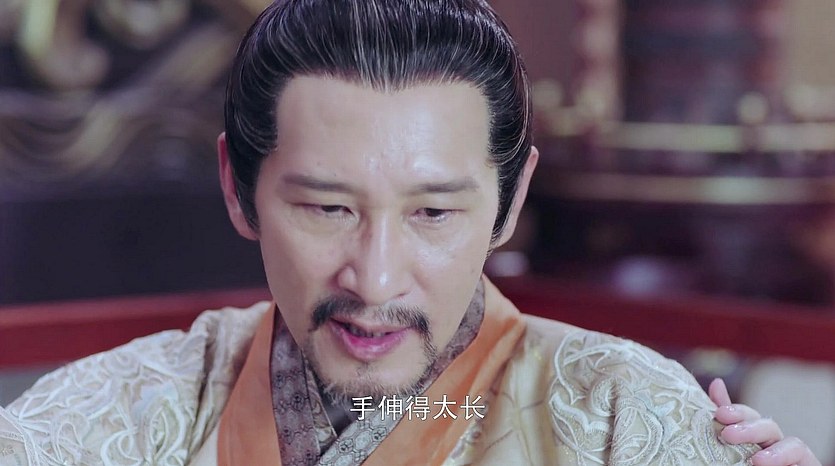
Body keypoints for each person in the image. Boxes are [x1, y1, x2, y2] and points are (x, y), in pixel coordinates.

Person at [0, 1, 821, 465]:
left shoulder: (622, 418)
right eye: (327, 209)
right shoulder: (116, 416)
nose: (375, 278)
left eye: (432, 212)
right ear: (237, 188)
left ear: (510, 201)